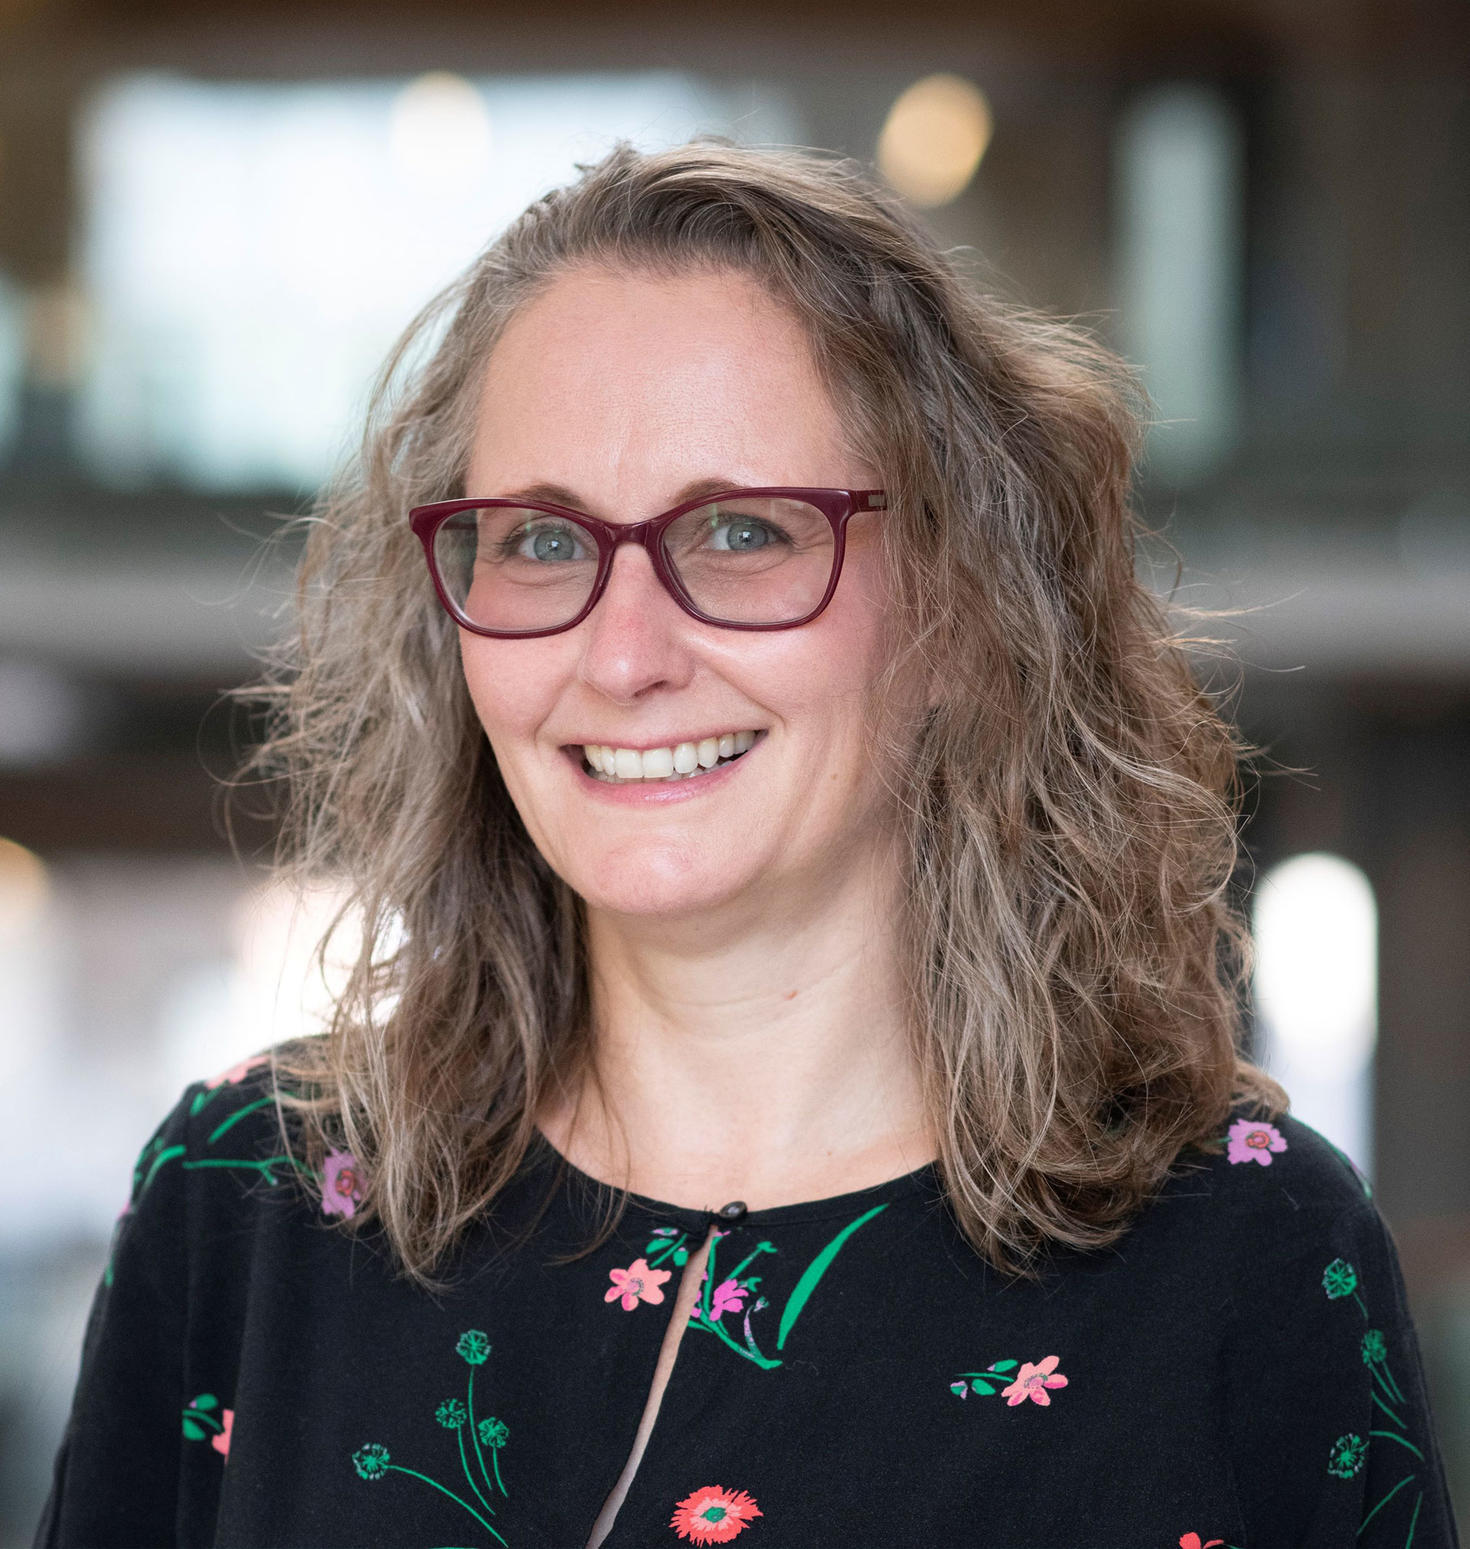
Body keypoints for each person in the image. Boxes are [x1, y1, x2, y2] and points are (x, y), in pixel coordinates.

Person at [36, 140, 1459, 1549]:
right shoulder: (248, 1204)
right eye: (537, 542)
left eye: (739, 531)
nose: (624, 652)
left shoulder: (1244, 1255)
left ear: (964, 610)